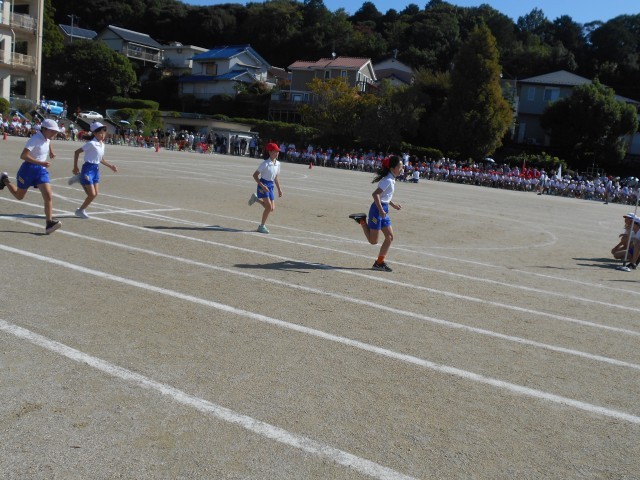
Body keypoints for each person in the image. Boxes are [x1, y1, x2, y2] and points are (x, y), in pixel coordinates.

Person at [0, 118, 62, 234]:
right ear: (44, 129)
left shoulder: (47, 137)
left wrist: (51, 152)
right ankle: (4, 180)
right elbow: (23, 155)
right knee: (19, 196)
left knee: (48, 195)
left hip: (41, 171)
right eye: (52, 131)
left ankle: (49, 223)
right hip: (27, 170)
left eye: (56, 131)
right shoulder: (34, 139)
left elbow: (48, 142)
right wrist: (40, 162)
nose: (55, 133)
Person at [349, 155, 403, 272]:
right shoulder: (388, 180)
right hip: (377, 211)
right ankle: (362, 220)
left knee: (389, 237)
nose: (402, 169)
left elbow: (384, 196)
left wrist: (392, 204)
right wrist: (381, 210)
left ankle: (379, 263)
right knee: (373, 241)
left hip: (383, 210)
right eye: (400, 167)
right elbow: (375, 194)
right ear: (392, 168)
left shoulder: (391, 179)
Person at [69, 121, 118, 219]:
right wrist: (75, 167)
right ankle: (80, 210)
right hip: (88, 168)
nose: (103, 135)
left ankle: (81, 179)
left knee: (95, 194)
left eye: (104, 133)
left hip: (96, 170)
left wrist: (110, 166)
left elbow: (101, 159)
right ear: (94, 133)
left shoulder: (102, 144)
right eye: (100, 133)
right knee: (92, 194)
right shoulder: (91, 143)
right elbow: (76, 152)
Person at [248, 142, 282, 234]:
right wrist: (262, 186)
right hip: (263, 185)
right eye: (275, 151)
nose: (277, 153)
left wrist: (279, 189)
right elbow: (255, 175)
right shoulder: (265, 163)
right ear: (270, 152)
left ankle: (256, 199)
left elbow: (276, 177)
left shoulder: (278, 164)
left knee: (271, 208)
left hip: (271, 186)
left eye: (278, 151)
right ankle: (261, 226)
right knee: (268, 207)